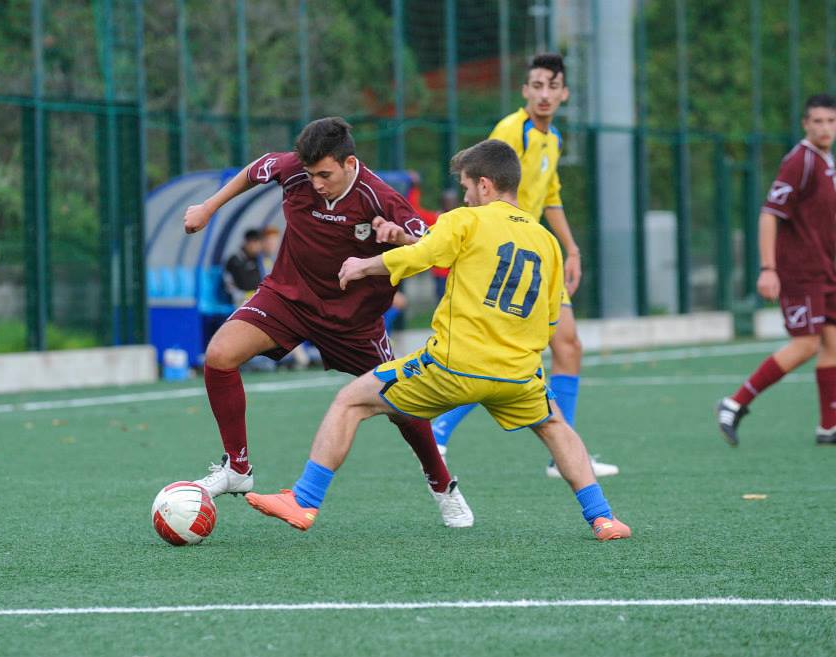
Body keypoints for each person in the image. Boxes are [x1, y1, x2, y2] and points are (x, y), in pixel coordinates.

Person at [244, 140, 630, 540]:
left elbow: (422, 256)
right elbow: (550, 319)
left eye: (465, 187)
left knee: (350, 401)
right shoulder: (546, 241)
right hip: (518, 372)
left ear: (484, 185)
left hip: (452, 365)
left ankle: (304, 500)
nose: (463, 196)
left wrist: (364, 265)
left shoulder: (467, 220)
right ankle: (603, 517)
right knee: (555, 427)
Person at [182, 117, 472, 528]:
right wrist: (209, 207)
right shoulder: (294, 170)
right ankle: (238, 469)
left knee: (403, 406)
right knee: (220, 354)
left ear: (349, 163)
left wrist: (400, 238)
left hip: (353, 323)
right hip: (288, 297)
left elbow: (429, 243)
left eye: (325, 175)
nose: (316, 183)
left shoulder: (379, 197)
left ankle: (442, 485)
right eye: (310, 173)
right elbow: (255, 169)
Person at [429, 53, 618, 478]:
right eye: (536, 85)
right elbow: (482, 186)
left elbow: (550, 196)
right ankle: (438, 430)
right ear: (524, 90)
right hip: (507, 255)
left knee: (567, 346)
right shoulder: (511, 131)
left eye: (553, 86)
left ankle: (561, 456)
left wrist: (571, 248)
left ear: (564, 93)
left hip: (535, 255)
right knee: (506, 356)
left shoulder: (553, 139)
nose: (544, 94)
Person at [716, 94, 836, 447]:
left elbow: (806, 211)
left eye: (830, 121)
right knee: (806, 344)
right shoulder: (799, 160)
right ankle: (734, 403)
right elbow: (770, 213)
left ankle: (830, 426)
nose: (825, 128)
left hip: (823, 267)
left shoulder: (824, 160)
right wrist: (768, 268)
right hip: (799, 269)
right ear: (806, 124)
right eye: (817, 121)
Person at [223, 229, 263, 307]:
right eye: (254, 242)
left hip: (253, 297)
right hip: (238, 298)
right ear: (247, 242)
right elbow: (243, 284)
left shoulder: (258, 259)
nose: (257, 246)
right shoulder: (235, 260)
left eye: (258, 243)